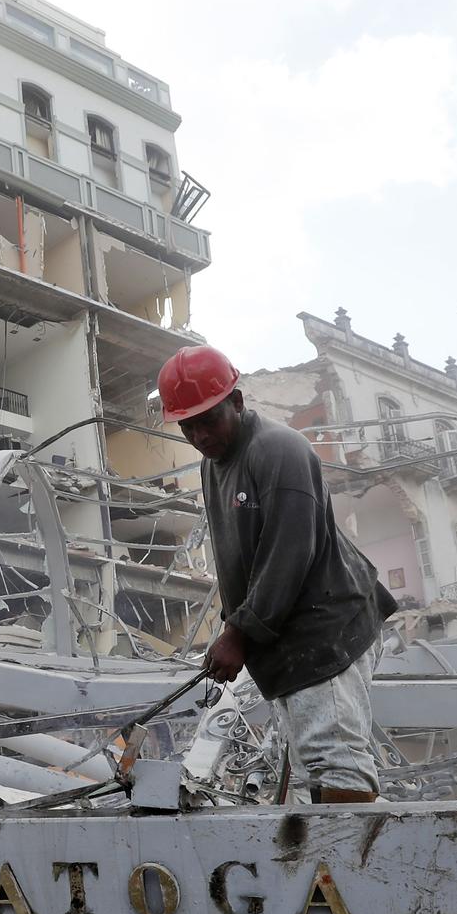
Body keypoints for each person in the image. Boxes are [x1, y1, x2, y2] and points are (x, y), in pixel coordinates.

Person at [161, 344, 397, 803]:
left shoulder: (279, 449)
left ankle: (345, 869)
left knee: (337, 765)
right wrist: (239, 630)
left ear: (238, 401)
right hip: (291, 638)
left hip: (325, 629)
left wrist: (239, 632)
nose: (199, 434)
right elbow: (241, 559)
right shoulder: (215, 464)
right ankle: (337, 860)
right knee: (316, 768)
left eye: (208, 419)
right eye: (188, 424)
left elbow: (289, 552)